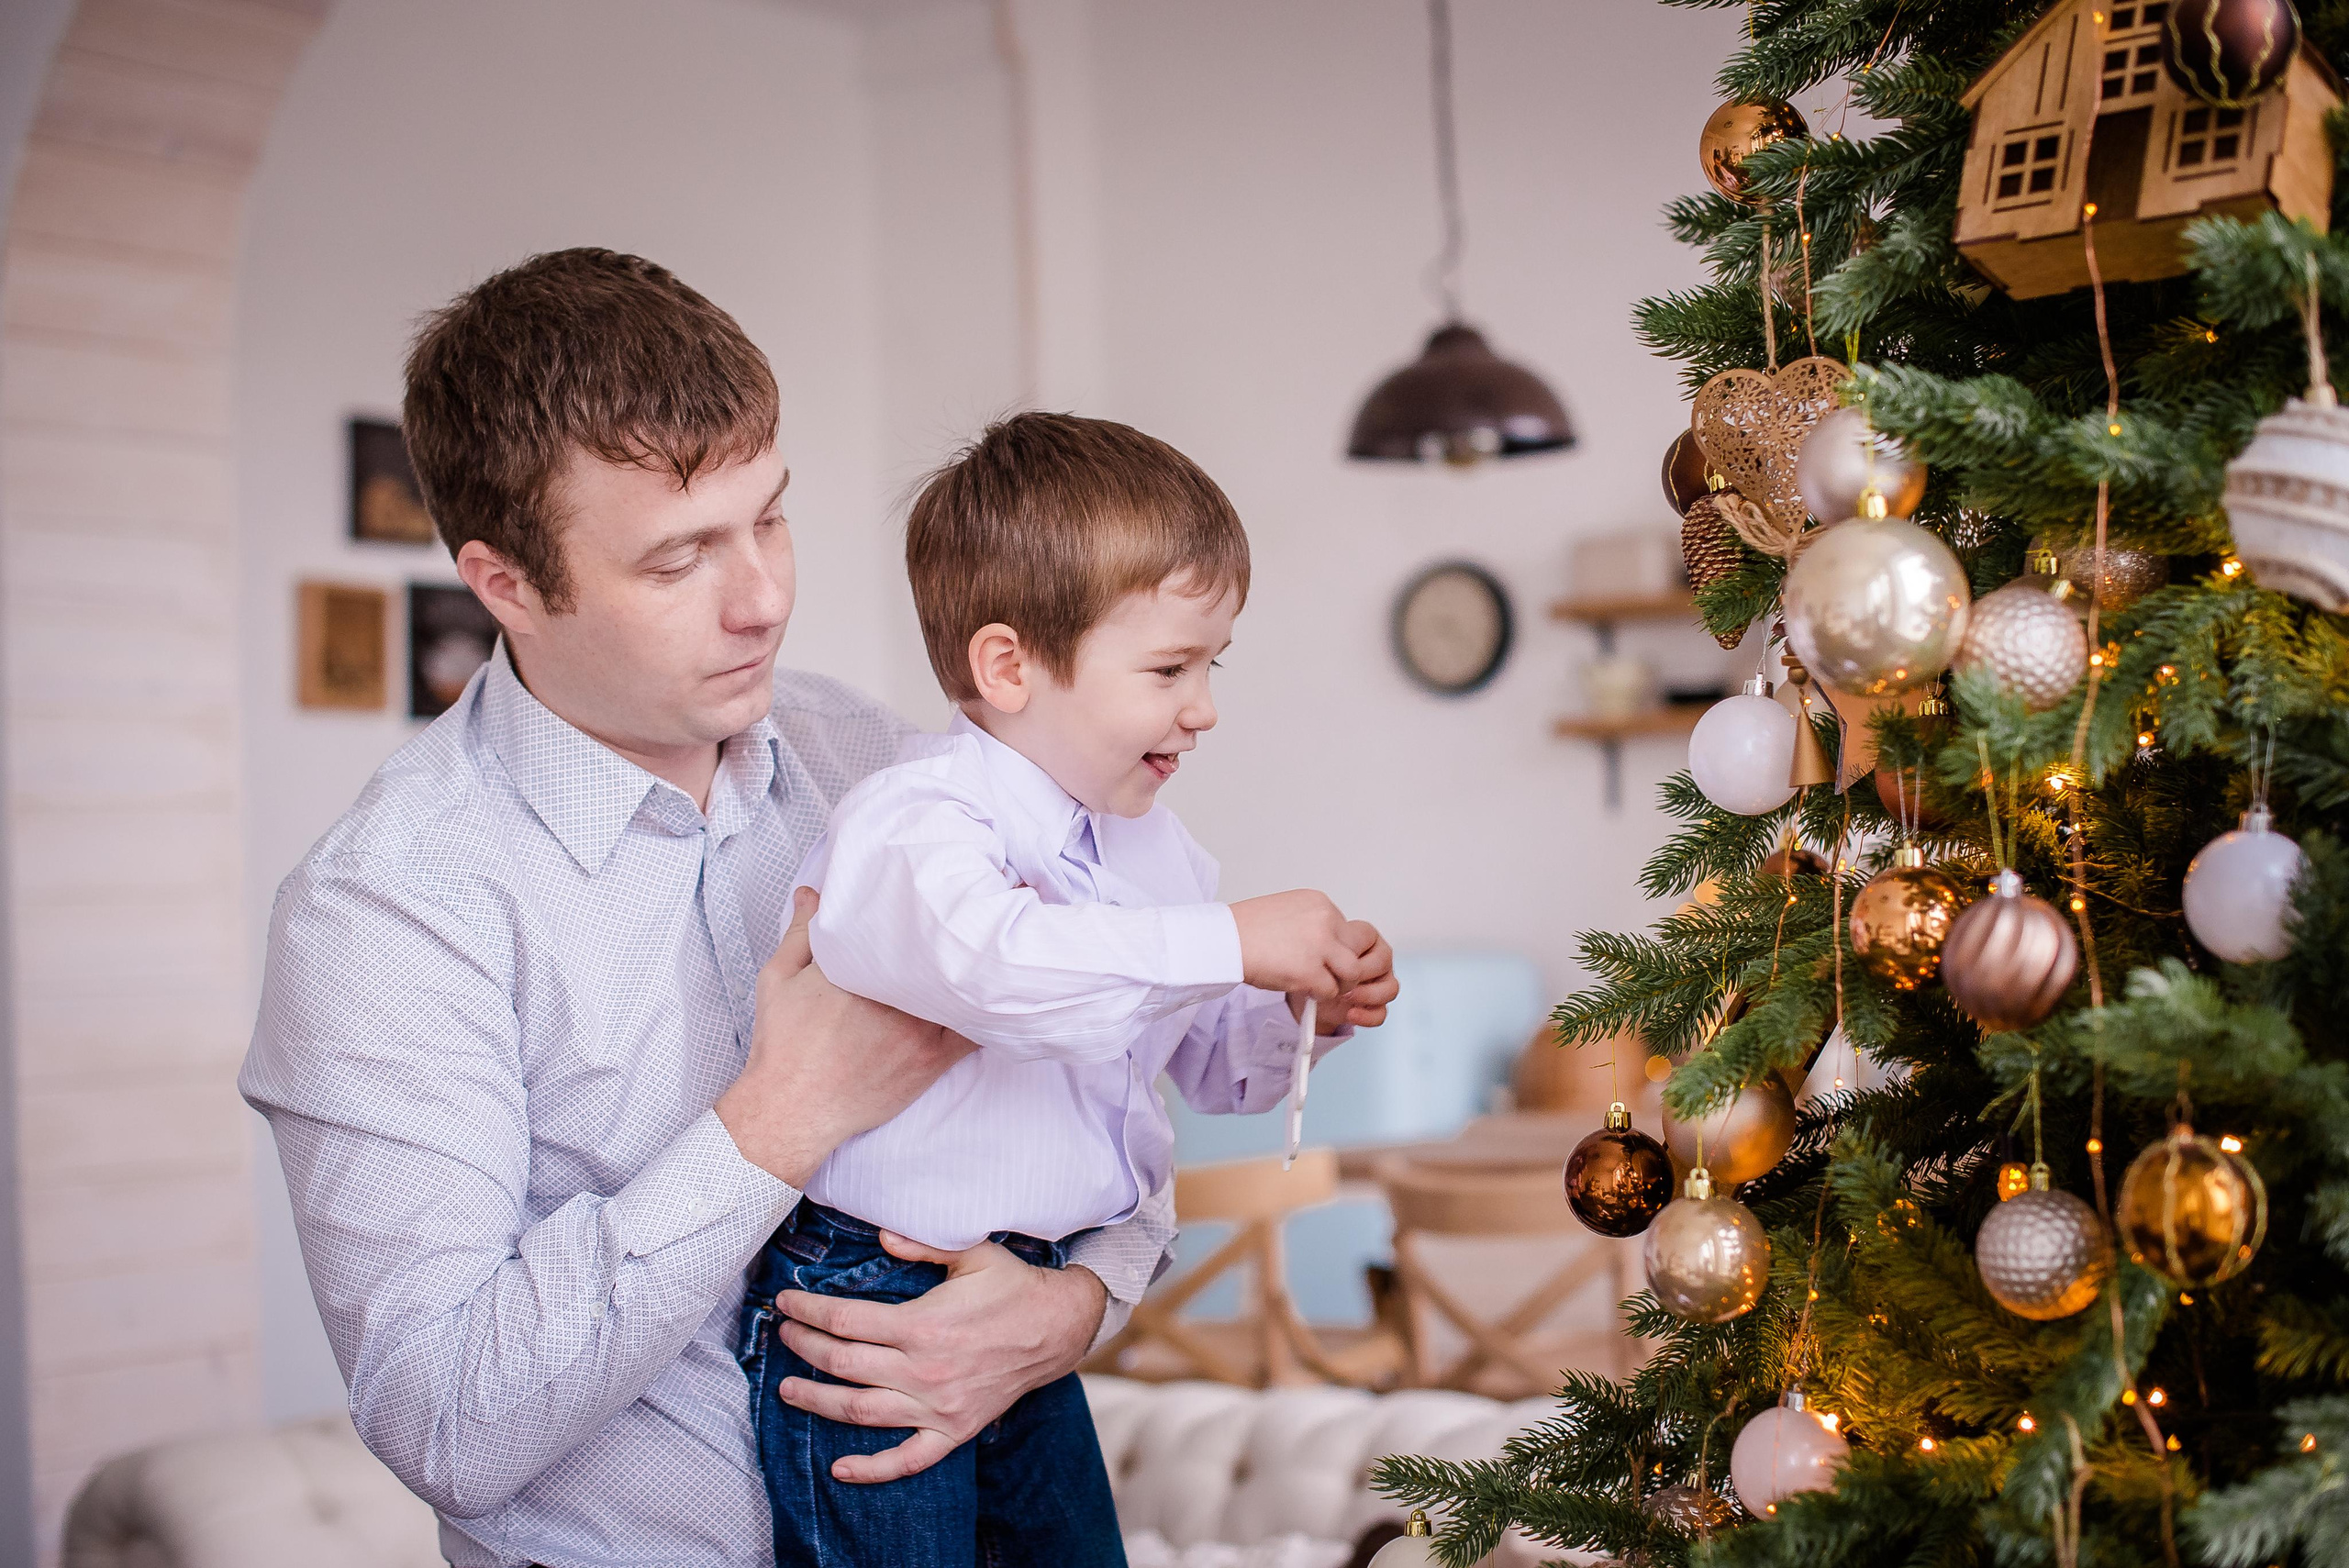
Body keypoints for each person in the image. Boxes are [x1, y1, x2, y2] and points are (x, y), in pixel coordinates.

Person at [240, 250, 1171, 1567]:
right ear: (503, 581)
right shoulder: (384, 911)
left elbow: (1097, 1068)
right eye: (680, 559)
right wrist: (778, 1122)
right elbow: (440, 1414)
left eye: (769, 519)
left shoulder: (883, 762)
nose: (764, 598)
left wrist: (1080, 1301)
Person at [748, 413, 1397, 1566]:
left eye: (1211, 665)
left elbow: (1207, 1064)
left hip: (1032, 1297)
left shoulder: (1155, 848)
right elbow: (1001, 971)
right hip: (870, 1297)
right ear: (1008, 666)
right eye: (1166, 669)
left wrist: (1306, 1009)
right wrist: (1228, 937)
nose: (1203, 707)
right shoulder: (915, 818)